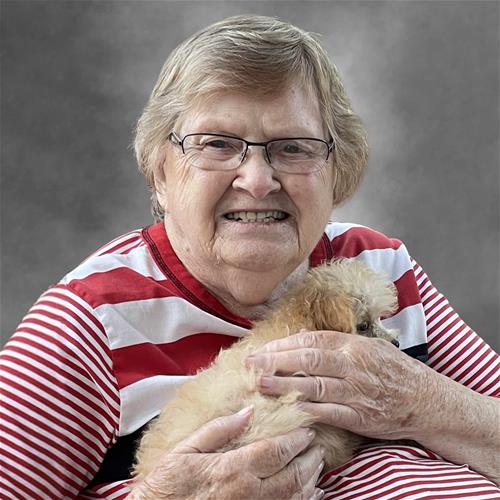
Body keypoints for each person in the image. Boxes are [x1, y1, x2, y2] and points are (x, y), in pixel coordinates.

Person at [1, 14, 499, 500]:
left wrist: (419, 401)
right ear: (160, 172)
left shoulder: (374, 263)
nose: (258, 181)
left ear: (337, 171)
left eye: (293, 147)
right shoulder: (89, 323)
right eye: (217, 144)